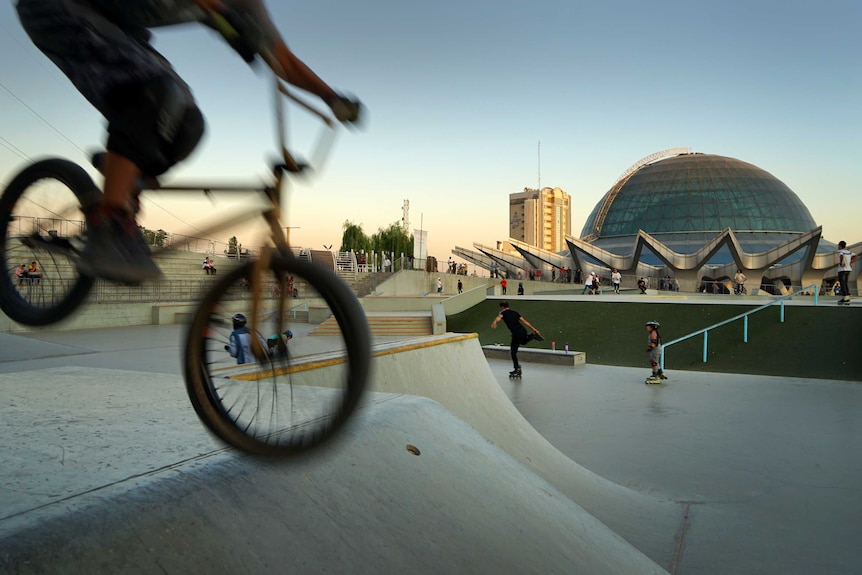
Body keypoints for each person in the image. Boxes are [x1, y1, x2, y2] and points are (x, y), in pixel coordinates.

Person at [16, 0, 362, 284]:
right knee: (153, 93)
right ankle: (111, 220)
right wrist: (218, 11)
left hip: (112, 28)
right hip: (59, 8)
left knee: (188, 124)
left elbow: (282, 61)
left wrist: (332, 99)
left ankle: (122, 177)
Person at [491, 301, 543, 378]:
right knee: (523, 342)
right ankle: (532, 336)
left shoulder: (503, 313)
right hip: (523, 331)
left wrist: (495, 322)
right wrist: (533, 329)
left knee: (513, 352)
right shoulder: (515, 312)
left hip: (516, 333)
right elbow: (524, 321)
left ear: (502, 307)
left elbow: (499, 317)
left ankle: (517, 369)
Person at [837, 241, 857, 305]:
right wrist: (851, 262)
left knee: (842, 283)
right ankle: (847, 296)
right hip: (848, 269)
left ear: (840, 246)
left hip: (842, 269)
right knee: (845, 282)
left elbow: (841, 256)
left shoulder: (840, 251)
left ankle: (845, 297)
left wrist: (841, 263)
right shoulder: (849, 252)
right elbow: (856, 256)